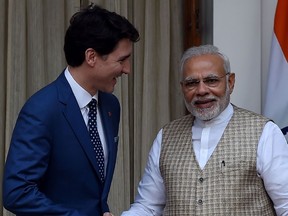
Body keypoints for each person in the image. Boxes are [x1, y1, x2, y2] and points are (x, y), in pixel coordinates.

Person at [3, 4, 139, 216]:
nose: (127, 69)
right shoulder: (42, 110)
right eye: (121, 60)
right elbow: (17, 193)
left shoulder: (111, 106)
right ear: (91, 57)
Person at [122, 44, 288, 216]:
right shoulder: (166, 136)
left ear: (230, 82)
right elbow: (148, 206)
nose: (201, 90)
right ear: (182, 88)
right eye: (192, 83)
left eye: (211, 80)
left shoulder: (264, 132)